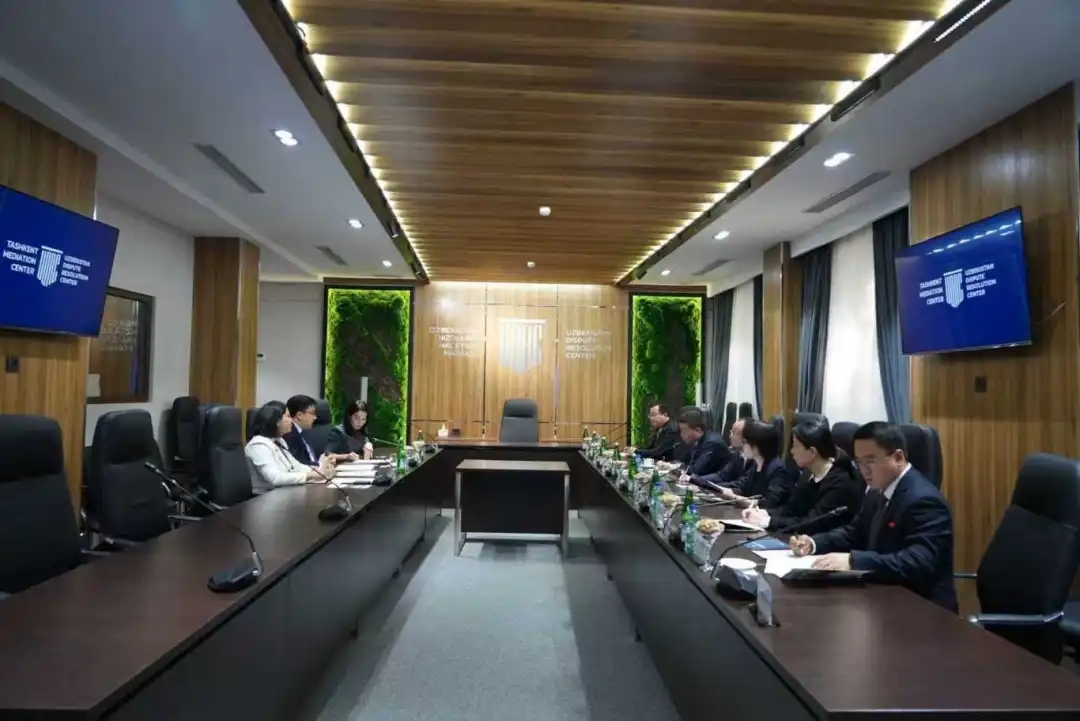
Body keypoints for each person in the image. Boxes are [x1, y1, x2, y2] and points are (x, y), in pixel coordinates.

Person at [789, 421, 957, 612]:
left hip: (924, 609)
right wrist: (814, 543)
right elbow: (854, 532)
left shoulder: (924, 501)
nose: (864, 470)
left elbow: (916, 562)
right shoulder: (877, 491)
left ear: (898, 457)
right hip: (884, 597)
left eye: (870, 461)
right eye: (859, 462)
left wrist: (853, 561)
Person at [743, 417, 863, 533]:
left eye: (795, 446)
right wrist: (765, 513)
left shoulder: (840, 482)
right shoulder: (809, 473)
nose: (791, 451)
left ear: (812, 452)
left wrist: (767, 521)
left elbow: (811, 522)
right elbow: (793, 507)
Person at [245, 402, 335, 494]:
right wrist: (312, 475)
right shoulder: (258, 445)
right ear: (276, 421)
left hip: (284, 492)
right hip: (266, 497)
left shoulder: (279, 441)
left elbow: (296, 466)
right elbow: (275, 478)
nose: (292, 421)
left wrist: (321, 468)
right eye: (288, 416)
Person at [718, 419, 792, 508]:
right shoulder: (757, 464)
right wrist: (717, 489)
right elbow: (742, 488)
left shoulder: (777, 469)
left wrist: (734, 497)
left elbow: (768, 503)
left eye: (745, 442)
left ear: (757, 445)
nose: (743, 446)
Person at [284, 394, 356, 465]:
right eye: (312, 413)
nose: (315, 417)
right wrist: (320, 465)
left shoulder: (300, 432)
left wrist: (324, 461)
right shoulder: (290, 435)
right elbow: (300, 464)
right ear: (300, 415)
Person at [692, 417, 750, 489]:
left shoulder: (755, 459)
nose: (730, 435)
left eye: (733, 433)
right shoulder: (737, 455)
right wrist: (696, 480)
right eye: (730, 432)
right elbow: (721, 476)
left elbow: (741, 485)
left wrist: (711, 486)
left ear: (746, 437)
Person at [675, 408, 729, 478]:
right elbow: (685, 462)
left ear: (698, 430)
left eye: (684, 430)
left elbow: (696, 470)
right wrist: (673, 465)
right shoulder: (697, 441)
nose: (681, 434)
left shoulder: (712, 444)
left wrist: (675, 467)